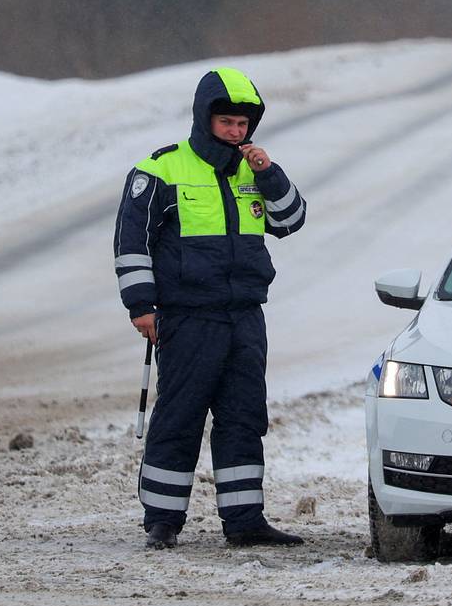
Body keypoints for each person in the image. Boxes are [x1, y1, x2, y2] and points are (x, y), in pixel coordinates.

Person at [113, 66, 308, 550]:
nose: (237, 133)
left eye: (243, 125)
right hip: (187, 316)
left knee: (244, 418)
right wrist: (141, 306)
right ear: (205, 120)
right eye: (227, 123)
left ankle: (245, 521)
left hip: (244, 316)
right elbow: (130, 243)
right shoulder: (161, 170)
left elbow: (292, 220)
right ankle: (162, 520)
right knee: (179, 417)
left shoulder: (255, 170)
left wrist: (269, 172)